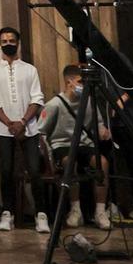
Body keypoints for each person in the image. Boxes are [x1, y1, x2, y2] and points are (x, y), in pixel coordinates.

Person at [0, 25, 47, 234]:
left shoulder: (30, 70)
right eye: (5, 41)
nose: (8, 44)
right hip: (4, 128)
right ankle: (7, 213)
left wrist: (22, 120)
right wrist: (9, 122)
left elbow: (37, 97)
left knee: (35, 171)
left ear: (18, 43)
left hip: (28, 127)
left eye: (12, 41)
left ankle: (41, 214)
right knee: (7, 170)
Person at [39, 65, 112, 231]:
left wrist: (101, 129)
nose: (83, 85)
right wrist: (48, 155)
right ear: (69, 82)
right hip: (63, 144)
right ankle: (75, 208)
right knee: (69, 162)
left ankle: (100, 211)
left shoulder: (88, 102)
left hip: (84, 143)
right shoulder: (54, 105)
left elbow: (98, 122)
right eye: (80, 81)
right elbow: (41, 130)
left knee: (102, 163)